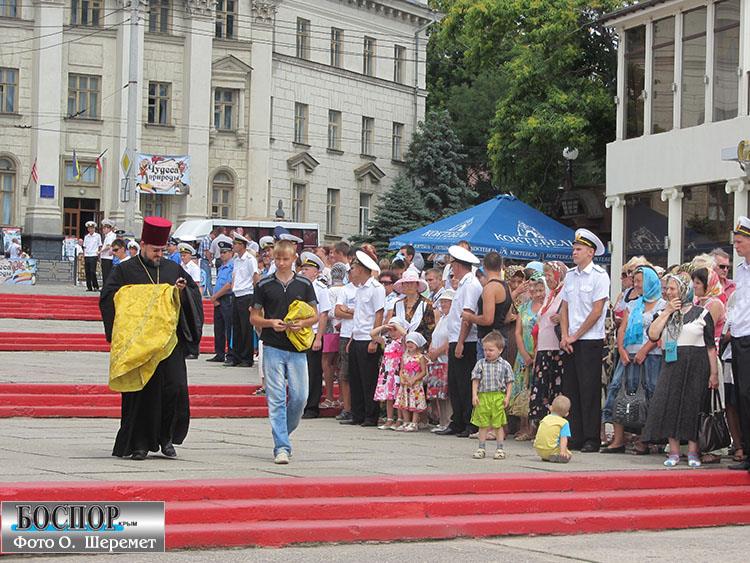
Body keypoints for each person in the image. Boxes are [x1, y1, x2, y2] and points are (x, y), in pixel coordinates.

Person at [100, 216, 204, 461]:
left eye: (162, 250)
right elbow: (108, 298)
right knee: (143, 392)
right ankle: (139, 443)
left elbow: (193, 295)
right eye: (155, 250)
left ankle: (166, 439)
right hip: (139, 344)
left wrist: (180, 292)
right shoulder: (125, 270)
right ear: (144, 245)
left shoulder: (172, 269)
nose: (159, 254)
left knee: (174, 388)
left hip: (168, 342)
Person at [251, 240, 318, 464]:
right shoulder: (264, 284)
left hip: (297, 347)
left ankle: (281, 433)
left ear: (294, 259)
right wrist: (270, 323)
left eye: (285, 259)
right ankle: (281, 445)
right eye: (277, 259)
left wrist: (303, 323)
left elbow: (315, 315)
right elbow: (254, 317)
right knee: (276, 397)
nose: (281, 263)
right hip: (272, 345)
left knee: (300, 397)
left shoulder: (304, 284)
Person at [642, 272, 718, 468]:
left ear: (684, 290)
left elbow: (711, 347)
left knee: (694, 406)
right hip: (672, 363)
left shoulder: (702, 313)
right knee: (670, 405)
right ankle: (674, 451)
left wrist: (713, 374)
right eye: (667, 288)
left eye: (672, 288)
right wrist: (667, 312)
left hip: (697, 363)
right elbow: (653, 335)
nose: (668, 292)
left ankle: (693, 451)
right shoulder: (663, 313)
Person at [601, 265, 664, 454]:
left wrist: (645, 350)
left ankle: (645, 439)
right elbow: (622, 328)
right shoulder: (633, 304)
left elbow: (660, 331)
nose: (635, 285)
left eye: (639, 281)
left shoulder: (662, 305)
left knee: (648, 394)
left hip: (650, 356)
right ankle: (618, 439)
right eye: (634, 281)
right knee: (618, 391)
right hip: (628, 355)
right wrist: (621, 349)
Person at [559, 229, 610, 453]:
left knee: (589, 390)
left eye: (578, 249)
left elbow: (597, 311)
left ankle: (591, 437)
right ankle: (575, 435)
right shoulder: (570, 275)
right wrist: (564, 335)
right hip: (570, 339)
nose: (574, 252)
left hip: (590, 339)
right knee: (571, 389)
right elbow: (564, 307)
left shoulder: (599, 276)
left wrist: (575, 335)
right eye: (574, 249)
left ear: (591, 252)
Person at [435, 245, 482, 438]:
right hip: (456, 338)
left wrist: (461, 341)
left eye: (453, 264)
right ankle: (458, 421)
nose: (451, 268)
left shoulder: (470, 285)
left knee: (464, 383)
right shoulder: (463, 284)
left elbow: (467, 315)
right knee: (455, 383)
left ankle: (468, 421)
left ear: (458, 265)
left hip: (466, 340)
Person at [343, 250, 385, 427]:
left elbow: (378, 313)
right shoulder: (360, 289)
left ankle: (370, 415)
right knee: (355, 378)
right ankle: (357, 414)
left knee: (369, 379)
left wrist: (374, 339)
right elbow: (358, 316)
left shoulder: (376, 288)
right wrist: (352, 339)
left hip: (368, 337)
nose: (351, 271)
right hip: (357, 336)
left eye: (353, 268)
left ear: (361, 269)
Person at [529, 261, 566, 427]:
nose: (547, 278)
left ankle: (556, 426)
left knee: (555, 389)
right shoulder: (551, 294)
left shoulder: (564, 293)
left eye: (549, 274)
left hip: (556, 349)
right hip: (544, 349)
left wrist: (562, 318)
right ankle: (543, 426)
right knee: (542, 389)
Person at [510, 273, 545, 441]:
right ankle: (524, 427)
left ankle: (536, 428)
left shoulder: (547, 306)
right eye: (533, 289)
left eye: (540, 290)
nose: (537, 293)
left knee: (535, 389)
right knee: (522, 389)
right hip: (523, 353)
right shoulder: (524, 307)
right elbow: (518, 332)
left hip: (540, 351)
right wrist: (524, 353)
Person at [470, 330, 514, 460]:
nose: (487, 353)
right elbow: (475, 380)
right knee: (483, 424)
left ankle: (500, 449)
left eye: (491, 350)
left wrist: (507, 397)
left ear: (500, 350)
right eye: (485, 350)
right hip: (483, 396)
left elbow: (509, 382)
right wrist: (474, 395)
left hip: (498, 396)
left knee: (498, 424)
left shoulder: (505, 365)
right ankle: (481, 448)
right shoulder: (480, 363)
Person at [728, 216, 750, 473]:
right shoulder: (741, 269)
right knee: (743, 395)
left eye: (740, 241)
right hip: (740, 336)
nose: (736, 245)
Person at [300, 252, 332, 419]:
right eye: (303, 268)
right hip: (298, 334)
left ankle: (312, 406)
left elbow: (323, 315)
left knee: (313, 372)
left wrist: (319, 338)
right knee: (299, 371)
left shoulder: (320, 289)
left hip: (312, 333)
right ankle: (300, 403)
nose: (304, 271)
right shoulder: (298, 286)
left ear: (316, 271)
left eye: (307, 269)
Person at [228, 233, 259, 368]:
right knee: (237, 327)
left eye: (235, 244)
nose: (233, 246)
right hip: (237, 294)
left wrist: (255, 298)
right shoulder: (236, 260)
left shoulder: (250, 259)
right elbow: (235, 276)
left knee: (246, 328)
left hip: (247, 294)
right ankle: (237, 356)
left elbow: (255, 277)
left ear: (242, 245)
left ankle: (247, 358)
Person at [372, 317, 407, 430]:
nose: (392, 332)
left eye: (394, 330)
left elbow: (405, 334)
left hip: (397, 370)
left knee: (398, 395)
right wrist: (384, 326)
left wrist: (397, 326)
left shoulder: (403, 341)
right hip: (387, 371)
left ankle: (400, 419)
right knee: (389, 396)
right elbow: (372, 334)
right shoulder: (386, 340)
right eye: (390, 330)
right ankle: (389, 418)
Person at [427, 289, 454, 433]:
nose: (443, 304)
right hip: (437, 360)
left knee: (447, 393)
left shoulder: (452, 318)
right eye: (442, 302)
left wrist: (437, 351)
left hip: (446, 358)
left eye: (446, 302)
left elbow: (451, 339)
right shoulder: (443, 318)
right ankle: (442, 421)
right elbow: (435, 336)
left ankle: (449, 421)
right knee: (439, 393)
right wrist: (431, 350)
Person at [321, 262, 347, 410]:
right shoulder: (346, 289)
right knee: (340, 364)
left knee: (328, 363)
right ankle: (341, 398)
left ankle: (330, 397)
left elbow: (329, 312)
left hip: (331, 330)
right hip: (342, 329)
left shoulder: (330, 291)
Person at [334, 270, 359, 423]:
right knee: (344, 373)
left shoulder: (368, 288)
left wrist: (348, 310)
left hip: (362, 334)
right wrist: (356, 313)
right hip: (345, 334)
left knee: (359, 374)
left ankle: (358, 408)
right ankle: (347, 408)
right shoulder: (345, 290)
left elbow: (369, 313)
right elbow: (337, 312)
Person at [206, 240, 235, 363]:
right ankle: (219, 353)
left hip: (227, 298)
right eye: (221, 252)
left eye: (225, 252)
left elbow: (229, 285)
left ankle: (231, 354)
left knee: (229, 328)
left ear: (231, 253)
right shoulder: (222, 267)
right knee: (218, 328)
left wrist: (215, 296)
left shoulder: (232, 266)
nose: (222, 254)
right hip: (218, 299)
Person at [394, 332, 429, 431]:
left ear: (417, 344)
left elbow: (423, 372)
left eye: (412, 342)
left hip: (415, 384)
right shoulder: (404, 356)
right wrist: (402, 378)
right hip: (405, 384)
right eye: (408, 342)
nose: (409, 344)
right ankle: (406, 422)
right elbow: (401, 369)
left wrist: (414, 379)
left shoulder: (420, 357)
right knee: (404, 402)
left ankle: (414, 423)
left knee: (415, 403)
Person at [391, 270, 435, 344]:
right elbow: (394, 325)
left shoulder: (426, 304)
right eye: (406, 283)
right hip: (400, 345)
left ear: (417, 285)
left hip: (420, 345)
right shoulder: (398, 304)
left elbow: (430, 329)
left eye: (412, 283)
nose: (409, 286)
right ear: (402, 285)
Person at [533, 394, 573, 463]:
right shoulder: (564, 423)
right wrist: (563, 451)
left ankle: (546, 456)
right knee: (568, 454)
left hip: (538, 449)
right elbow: (563, 439)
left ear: (551, 408)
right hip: (552, 450)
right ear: (567, 413)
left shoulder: (545, 418)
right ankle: (555, 455)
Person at [83, 220, 101, 292]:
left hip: (94, 255)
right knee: (87, 272)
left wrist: (98, 254)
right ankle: (89, 287)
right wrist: (84, 255)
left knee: (92, 271)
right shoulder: (86, 237)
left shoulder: (97, 236)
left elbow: (99, 245)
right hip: (87, 255)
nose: (90, 229)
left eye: (92, 228)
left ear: (94, 229)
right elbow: (84, 246)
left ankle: (95, 286)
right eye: (89, 228)